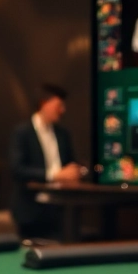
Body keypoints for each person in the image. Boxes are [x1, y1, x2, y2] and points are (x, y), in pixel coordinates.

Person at [10, 84, 83, 240]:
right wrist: (54, 175)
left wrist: (75, 172)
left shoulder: (63, 133)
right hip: (31, 208)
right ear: (44, 104)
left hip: (60, 208)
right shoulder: (22, 132)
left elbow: (71, 163)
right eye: (59, 105)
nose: (62, 110)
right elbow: (17, 169)